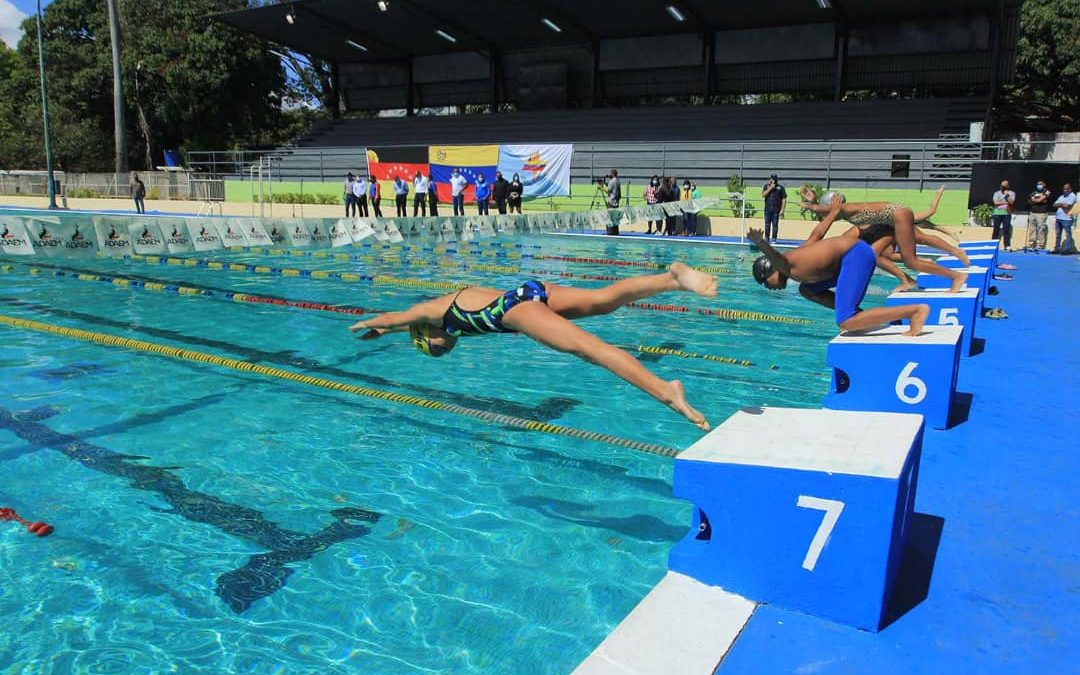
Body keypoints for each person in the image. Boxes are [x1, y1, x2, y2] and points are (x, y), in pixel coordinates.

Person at [348, 262, 718, 430]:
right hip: (529, 292)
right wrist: (385, 334)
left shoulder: (430, 310)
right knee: (604, 299)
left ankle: (668, 393)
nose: (442, 350)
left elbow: (396, 316)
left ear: (424, 331)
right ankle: (672, 280)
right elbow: (398, 325)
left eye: (434, 348)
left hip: (515, 309)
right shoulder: (443, 319)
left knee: (593, 350)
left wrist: (369, 323)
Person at [748, 202, 932, 335]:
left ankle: (913, 312)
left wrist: (761, 242)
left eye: (765, 282)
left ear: (770, 269)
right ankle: (863, 316)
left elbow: (776, 257)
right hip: (847, 261)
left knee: (845, 322)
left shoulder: (786, 264)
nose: (769, 287)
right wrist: (834, 212)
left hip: (855, 256)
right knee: (807, 290)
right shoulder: (799, 256)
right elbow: (817, 233)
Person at [799, 186, 966, 292]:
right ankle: (909, 279)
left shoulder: (842, 208)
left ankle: (955, 276)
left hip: (896, 215)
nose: (825, 216)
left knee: (912, 259)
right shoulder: (844, 212)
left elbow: (824, 213)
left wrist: (812, 205)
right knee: (877, 254)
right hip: (893, 218)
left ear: (833, 205)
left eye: (826, 211)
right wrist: (814, 204)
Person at [1025, 180, 1051, 252]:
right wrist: (1037, 200)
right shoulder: (1034, 192)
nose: (1039, 185)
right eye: (1038, 184)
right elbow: (1030, 200)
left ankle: (1040, 245)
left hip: (1042, 213)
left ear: (1044, 185)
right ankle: (1031, 244)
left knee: (1040, 229)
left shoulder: (1047, 191)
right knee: (1032, 229)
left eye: (1040, 184)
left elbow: (1040, 200)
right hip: (1032, 212)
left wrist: (1036, 200)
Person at [761, 173, 787, 242]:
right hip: (767, 209)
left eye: (774, 179)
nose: (773, 181)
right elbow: (763, 195)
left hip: (776, 210)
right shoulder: (766, 186)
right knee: (767, 224)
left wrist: (782, 210)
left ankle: (774, 239)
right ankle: (766, 238)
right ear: (770, 179)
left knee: (775, 225)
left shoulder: (780, 188)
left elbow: (784, 199)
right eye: (772, 179)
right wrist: (770, 188)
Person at [991, 179, 1016, 251]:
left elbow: (1011, 202)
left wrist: (1006, 196)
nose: (1003, 187)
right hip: (997, 213)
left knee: (1006, 229)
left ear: (1008, 186)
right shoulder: (996, 193)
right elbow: (995, 202)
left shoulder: (1012, 193)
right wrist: (1005, 203)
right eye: (1002, 186)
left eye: (1005, 186)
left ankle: (1007, 245)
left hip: (1007, 213)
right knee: (996, 229)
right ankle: (993, 245)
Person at [1052, 183, 1076, 254]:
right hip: (1058, 218)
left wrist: (1060, 204)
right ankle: (1056, 249)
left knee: (1068, 234)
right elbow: (1054, 204)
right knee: (1058, 234)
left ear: (1070, 189)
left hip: (1067, 219)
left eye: (1067, 189)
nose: (1065, 190)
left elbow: (1068, 206)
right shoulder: (1061, 196)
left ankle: (1067, 249)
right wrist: (1062, 204)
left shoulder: (1072, 196)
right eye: (1064, 189)